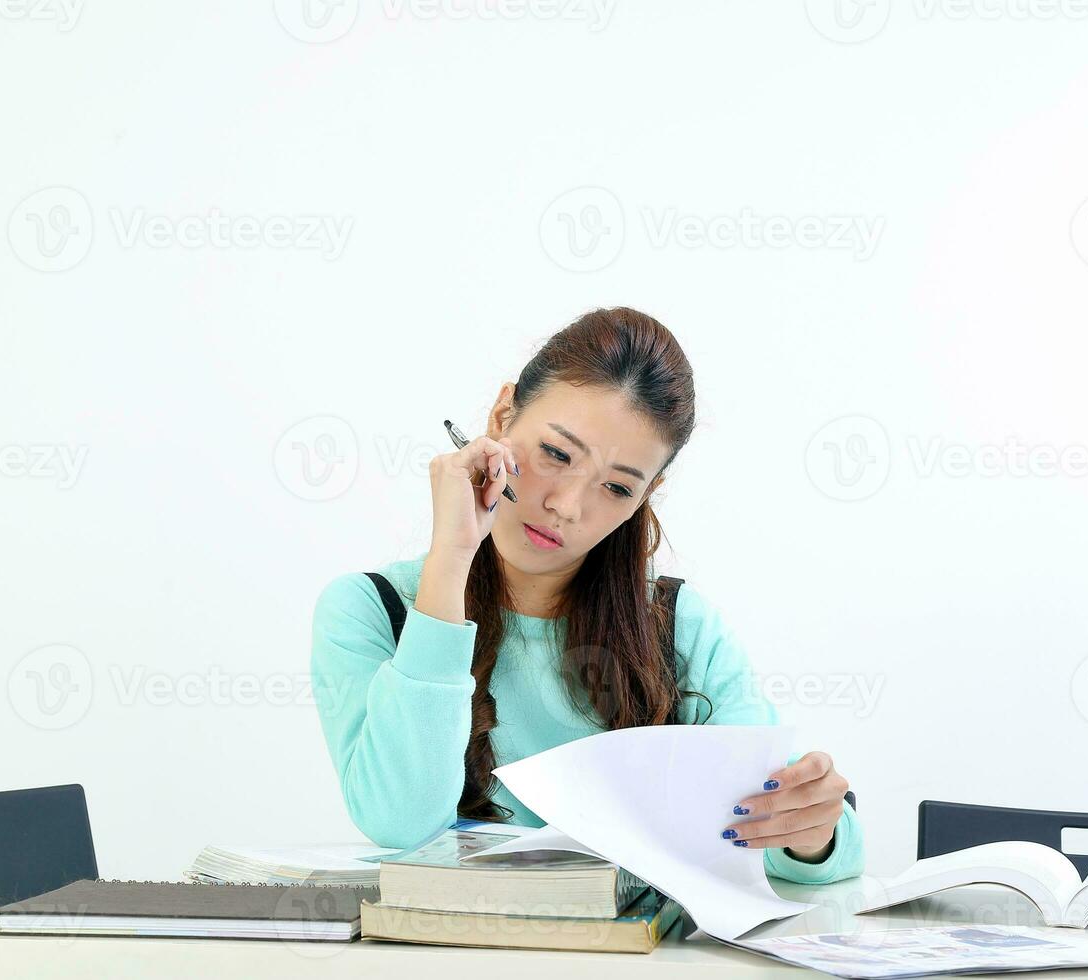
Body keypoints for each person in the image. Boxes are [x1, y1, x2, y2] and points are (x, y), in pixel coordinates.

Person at [310, 306, 864, 884]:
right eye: (556, 454)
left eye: (619, 486)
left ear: (648, 492)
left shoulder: (676, 622)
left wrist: (812, 833)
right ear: (503, 414)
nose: (568, 507)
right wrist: (451, 558)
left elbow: (804, 846)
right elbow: (401, 821)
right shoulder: (370, 610)